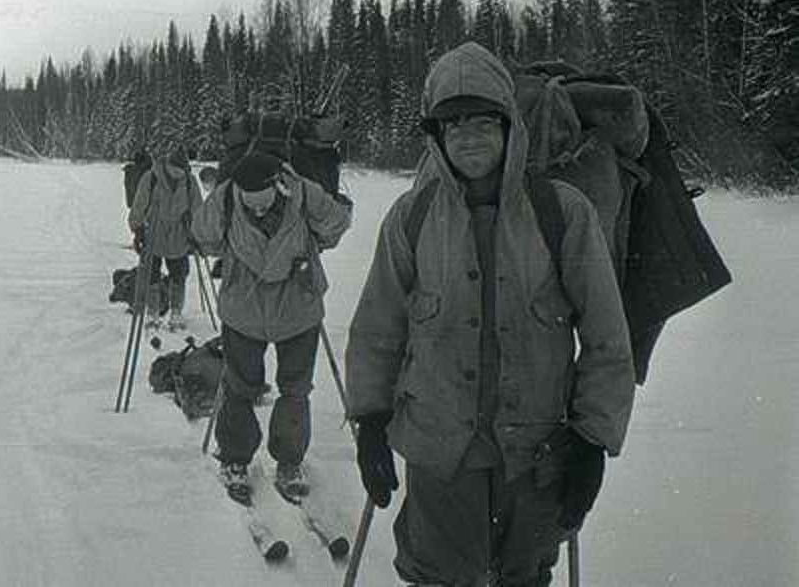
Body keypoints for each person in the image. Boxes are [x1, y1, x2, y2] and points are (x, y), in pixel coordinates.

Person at [345, 42, 636, 586]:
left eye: (483, 122)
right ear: (436, 138)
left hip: (534, 455)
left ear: (510, 127)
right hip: (439, 452)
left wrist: (593, 440)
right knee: (436, 576)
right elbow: (378, 329)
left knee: (523, 578)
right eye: (453, 126)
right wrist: (369, 421)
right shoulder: (412, 217)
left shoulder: (562, 212)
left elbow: (605, 338)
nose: (470, 137)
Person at [191, 152, 352, 503]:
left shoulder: (304, 193)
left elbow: (336, 224)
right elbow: (204, 235)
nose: (259, 212)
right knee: (239, 387)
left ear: (278, 185)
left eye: (264, 205)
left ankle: (289, 461)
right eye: (252, 206)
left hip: (295, 310)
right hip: (246, 311)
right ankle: (235, 459)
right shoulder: (227, 197)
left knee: (295, 389)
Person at [128, 147, 202, 331]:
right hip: (153, 232)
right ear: (168, 165)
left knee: (179, 274)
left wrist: (198, 234)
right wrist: (137, 229)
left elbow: (197, 209)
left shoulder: (190, 182)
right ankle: (153, 311)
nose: (179, 173)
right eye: (176, 169)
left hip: (179, 234)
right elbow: (139, 205)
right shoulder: (151, 178)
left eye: (182, 170)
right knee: (152, 274)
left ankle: (176, 311)